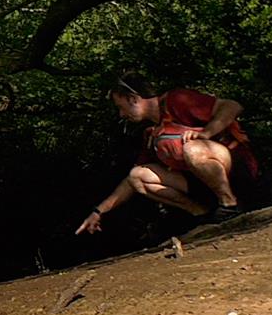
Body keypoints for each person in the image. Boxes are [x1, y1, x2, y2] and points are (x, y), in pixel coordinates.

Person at [76, 73, 260, 235]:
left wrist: (206, 133)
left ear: (133, 98)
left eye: (121, 107)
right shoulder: (152, 133)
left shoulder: (177, 100)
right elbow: (129, 183)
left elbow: (233, 106)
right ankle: (202, 214)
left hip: (234, 166)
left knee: (192, 149)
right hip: (203, 182)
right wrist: (98, 211)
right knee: (138, 176)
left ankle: (230, 205)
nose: (121, 114)